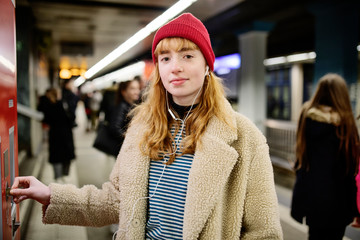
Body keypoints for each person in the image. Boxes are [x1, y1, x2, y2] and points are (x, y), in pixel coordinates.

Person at [10, 13, 283, 239]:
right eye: (165, 58)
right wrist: (49, 194)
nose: (174, 67)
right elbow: (116, 201)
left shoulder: (244, 137)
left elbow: (264, 231)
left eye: (187, 56)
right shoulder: (142, 128)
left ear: (208, 66)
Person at [291, 73, 359, 240]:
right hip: (339, 203)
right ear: (342, 96)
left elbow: (301, 161)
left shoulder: (306, 119)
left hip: (313, 200)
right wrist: (356, 209)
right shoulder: (346, 126)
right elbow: (352, 171)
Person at [37, 88, 76, 182]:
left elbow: (44, 117)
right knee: (66, 155)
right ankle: (64, 175)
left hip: (54, 134)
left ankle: (57, 177)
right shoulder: (62, 104)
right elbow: (71, 117)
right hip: (66, 133)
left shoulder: (46, 105)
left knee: (56, 156)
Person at [108, 79, 140, 155]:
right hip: (123, 150)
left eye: (138, 88)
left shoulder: (129, 105)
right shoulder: (122, 107)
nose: (137, 92)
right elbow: (115, 128)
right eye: (132, 89)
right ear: (123, 92)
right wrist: (130, 138)